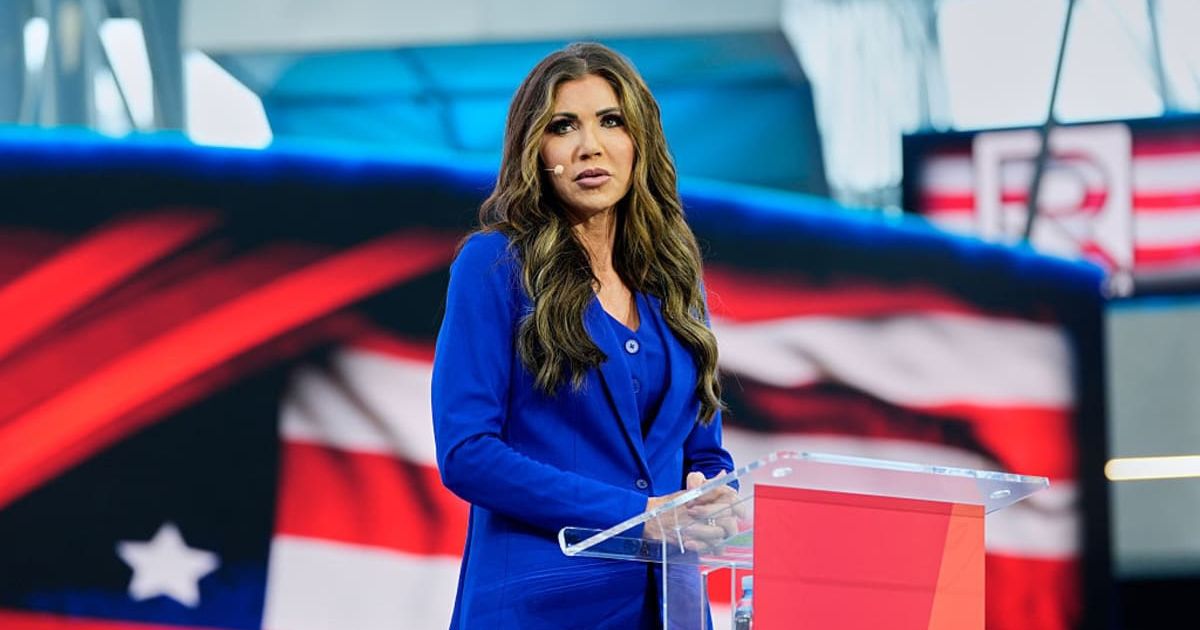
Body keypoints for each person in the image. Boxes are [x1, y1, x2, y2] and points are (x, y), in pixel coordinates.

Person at [431, 42, 737, 629]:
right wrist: (636, 515)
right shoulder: (495, 266)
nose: (589, 145)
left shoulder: (675, 277)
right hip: (540, 606)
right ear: (535, 150)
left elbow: (704, 451)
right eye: (562, 126)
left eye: (611, 122)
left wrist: (712, 499)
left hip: (666, 605)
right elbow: (467, 453)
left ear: (638, 141)